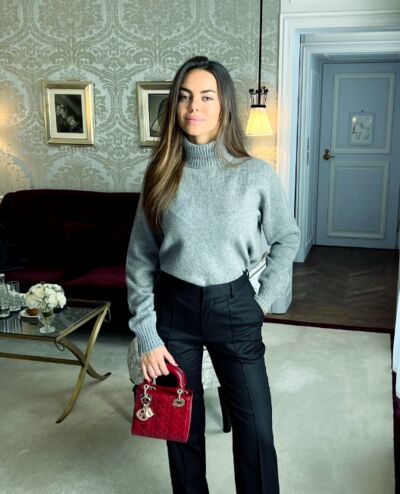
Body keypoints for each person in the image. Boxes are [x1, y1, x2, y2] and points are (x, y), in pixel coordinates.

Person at [126, 56, 300, 494]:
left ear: (223, 105)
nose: (194, 107)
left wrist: (261, 301)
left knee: (256, 430)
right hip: (174, 310)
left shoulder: (254, 173)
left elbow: (287, 238)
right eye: (185, 97)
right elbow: (140, 258)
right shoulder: (160, 173)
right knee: (181, 431)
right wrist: (147, 333)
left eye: (206, 97)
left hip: (235, 305)